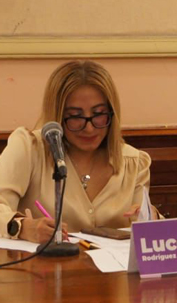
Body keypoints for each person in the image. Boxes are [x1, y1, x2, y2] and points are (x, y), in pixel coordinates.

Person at [0, 60, 154, 243]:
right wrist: (23, 227)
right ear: (57, 115)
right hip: (42, 262)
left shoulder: (134, 163)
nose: (89, 128)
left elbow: (145, 228)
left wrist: (150, 216)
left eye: (99, 114)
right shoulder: (29, 149)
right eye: (75, 116)